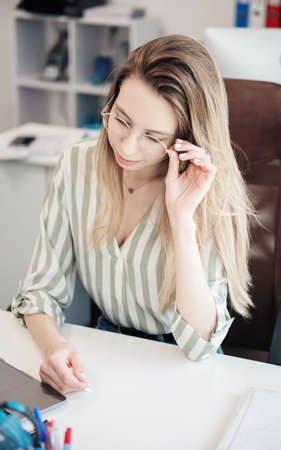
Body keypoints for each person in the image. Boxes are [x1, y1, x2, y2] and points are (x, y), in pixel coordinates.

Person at [12, 34, 253, 395]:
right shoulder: (77, 165)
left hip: (181, 367)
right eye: (121, 120)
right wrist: (54, 347)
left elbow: (199, 345)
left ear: (184, 139)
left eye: (153, 136)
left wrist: (182, 218)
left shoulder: (206, 197)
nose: (126, 146)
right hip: (108, 351)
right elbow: (39, 292)